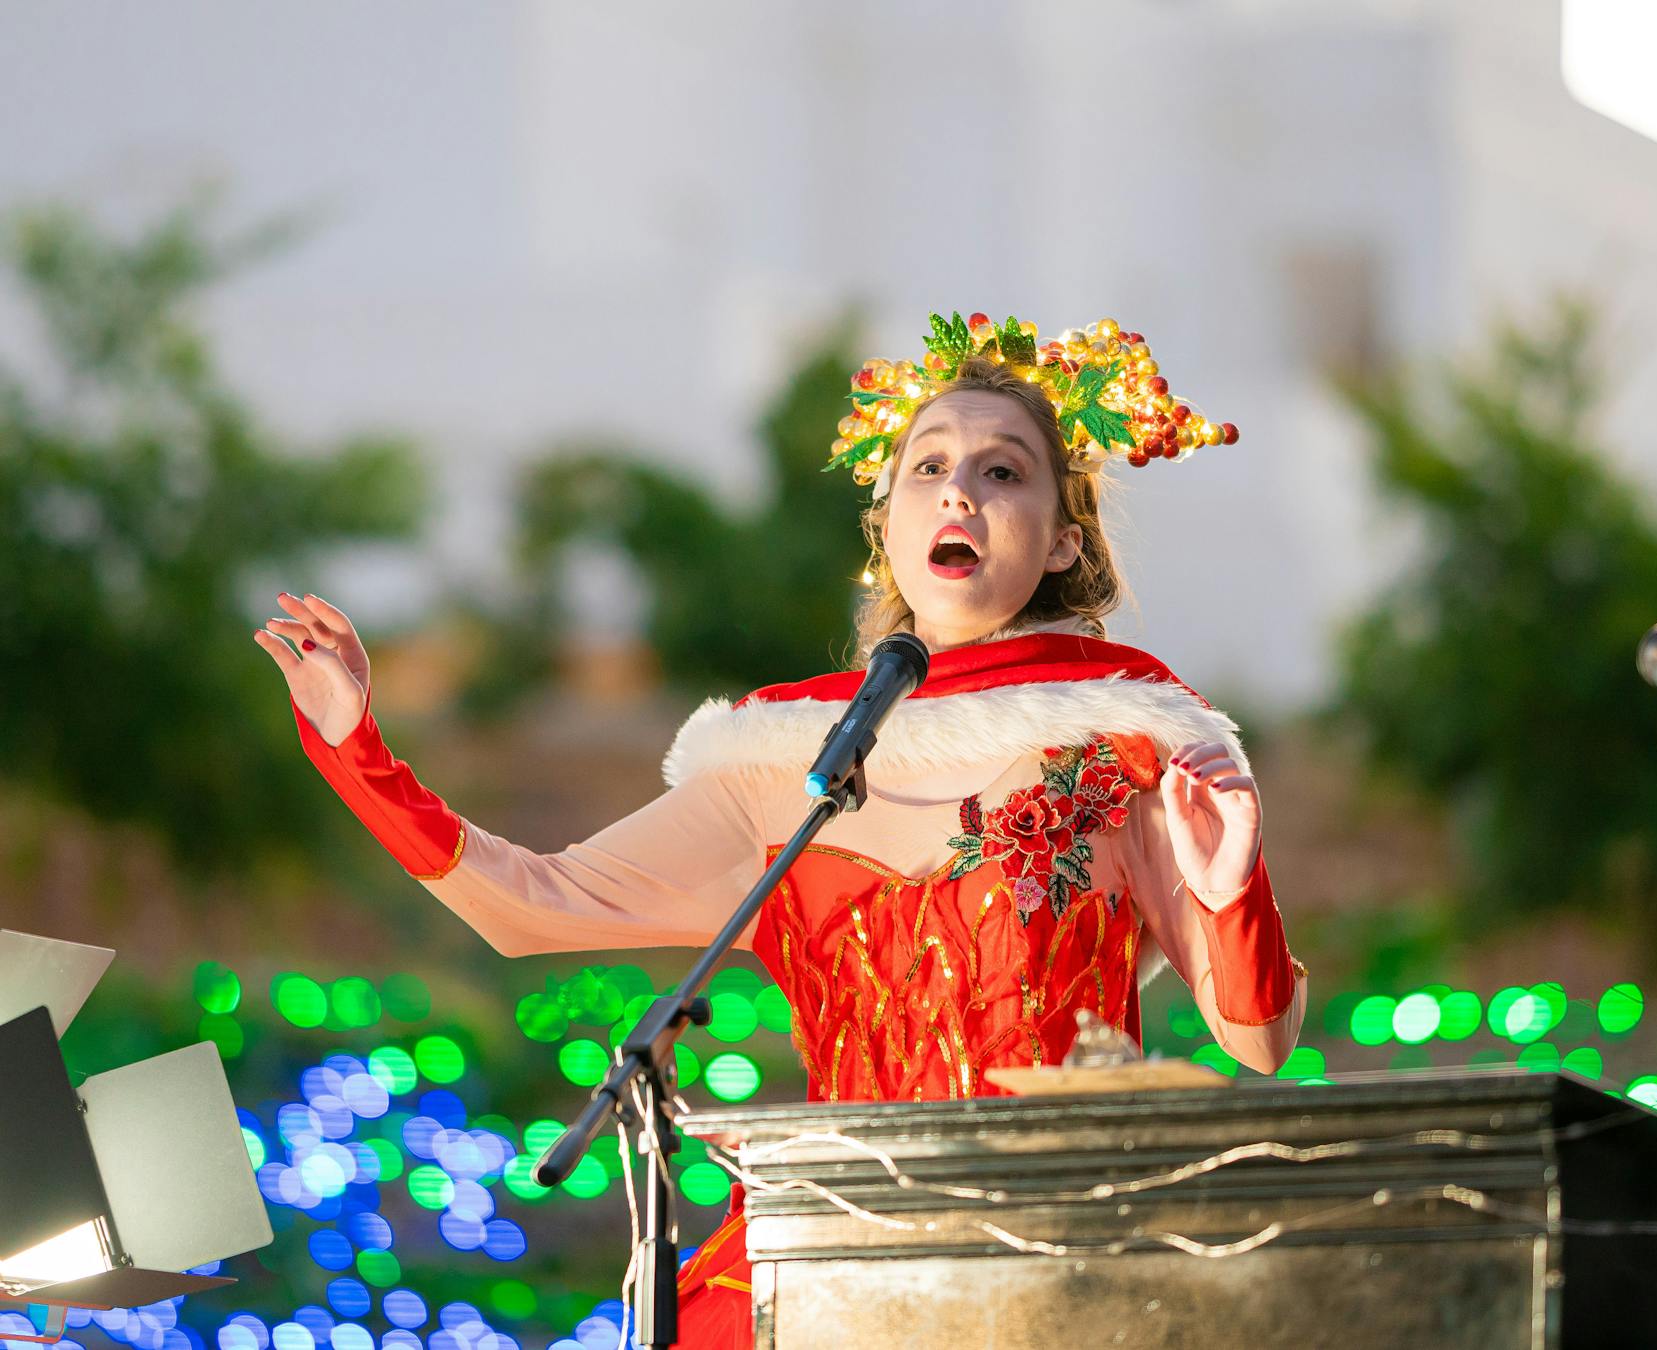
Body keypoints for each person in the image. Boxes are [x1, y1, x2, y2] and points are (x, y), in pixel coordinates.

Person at [255, 312, 1308, 1349]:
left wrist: (1228, 895)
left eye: (1004, 472)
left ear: (1062, 539)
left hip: (1051, 1263)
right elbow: (529, 907)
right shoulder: (784, 762)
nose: (959, 488)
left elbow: (1259, 1042)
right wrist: (362, 755)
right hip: (820, 1265)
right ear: (889, 528)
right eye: (929, 467)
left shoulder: (1129, 744)